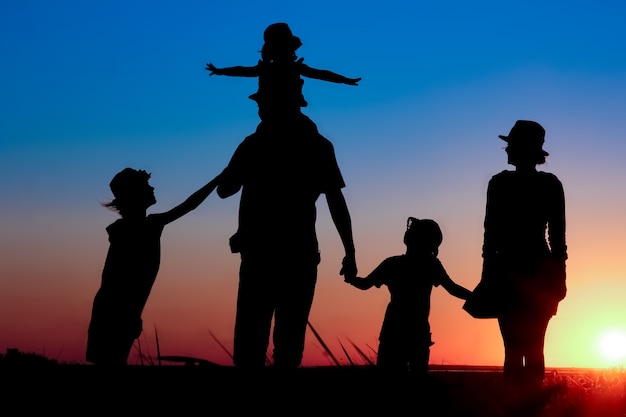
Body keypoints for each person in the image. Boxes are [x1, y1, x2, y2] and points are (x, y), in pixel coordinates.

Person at [216, 90, 358, 369]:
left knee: (252, 341)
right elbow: (336, 201)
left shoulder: (253, 145)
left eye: (264, 104)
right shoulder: (318, 145)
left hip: (266, 255)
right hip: (296, 254)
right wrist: (349, 251)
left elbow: (224, 190)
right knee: (287, 343)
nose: (260, 111)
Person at [463, 120, 567, 390]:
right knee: (534, 347)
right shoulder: (550, 184)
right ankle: (530, 404)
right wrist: (559, 277)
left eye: (509, 144)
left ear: (519, 149)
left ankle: (517, 405)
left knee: (514, 349)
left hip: (507, 269)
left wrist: (487, 275)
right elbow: (557, 239)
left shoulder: (499, 184)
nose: (505, 149)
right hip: (538, 269)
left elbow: (490, 235)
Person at [86, 168, 222, 366]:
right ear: (136, 194)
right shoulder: (134, 229)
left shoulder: (141, 226)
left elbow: (189, 205)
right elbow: (114, 279)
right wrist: (129, 314)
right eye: (146, 185)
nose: (152, 187)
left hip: (118, 309)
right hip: (114, 310)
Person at [345, 217, 471, 375]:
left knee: (390, 380)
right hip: (414, 332)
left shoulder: (394, 264)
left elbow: (364, 284)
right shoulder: (430, 265)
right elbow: (453, 289)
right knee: (415, 385)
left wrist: (351, 278)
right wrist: (475, 297)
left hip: (395, 332)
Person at [206, 22, 361, 109]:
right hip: (272, 113)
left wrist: (345, 80)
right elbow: (242, 71)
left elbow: (322, 74)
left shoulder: (294, 67)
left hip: (291, 111)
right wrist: (220, 71)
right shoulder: (266, 68)